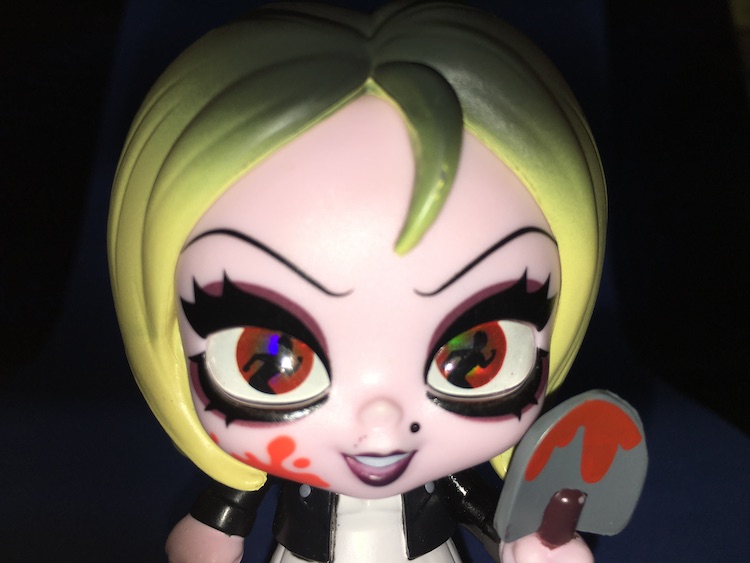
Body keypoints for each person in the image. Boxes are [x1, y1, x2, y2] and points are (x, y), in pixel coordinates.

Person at [108, 2, 606, 561]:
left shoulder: (441, 476)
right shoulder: (271, 475)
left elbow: (481, 510)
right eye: (271, 360)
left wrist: (525, 540)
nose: (381, 423)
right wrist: (209, 534)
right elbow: (215, 524)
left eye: (475, 354)